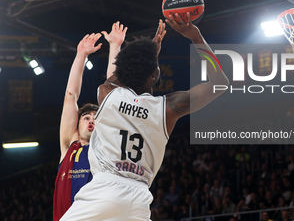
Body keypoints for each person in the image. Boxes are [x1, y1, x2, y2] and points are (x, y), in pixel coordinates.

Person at [60, 13, 229, 220]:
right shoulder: (169, 108)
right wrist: (196, 38)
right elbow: (220, 83)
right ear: (154, 75)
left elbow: (118, 74)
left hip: (104, 189)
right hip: (139, 198)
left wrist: (148, 54)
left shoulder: (107, 93)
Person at [53, 21, 127, 220]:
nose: (91, 120)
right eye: (86, 117)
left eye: (96, 117)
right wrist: (81, 55)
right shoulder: (69, 145)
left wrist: (115, 46)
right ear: (76, 126)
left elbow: (113, 92)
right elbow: (71, 96)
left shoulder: (105, 146)